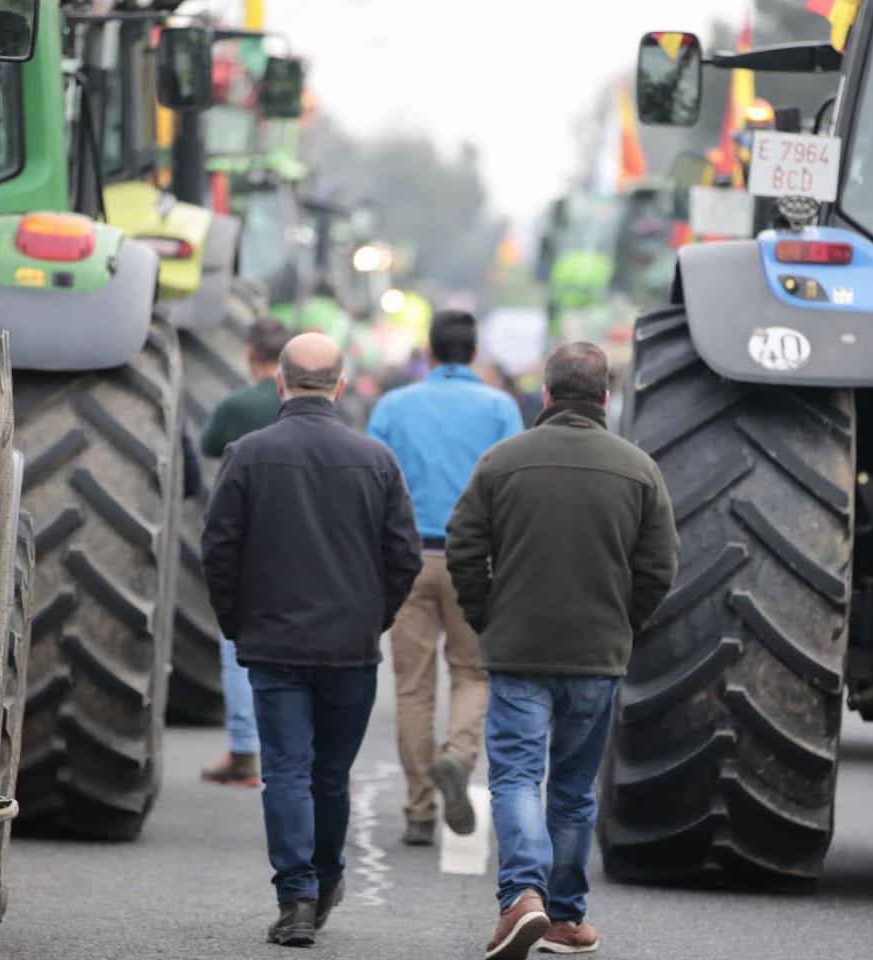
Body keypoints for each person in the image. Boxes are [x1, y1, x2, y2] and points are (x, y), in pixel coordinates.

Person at [446, 342, 679, 959]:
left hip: (519, 650)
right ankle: (566, 919)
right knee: (574, 791)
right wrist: (623, 622)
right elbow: (660, 567)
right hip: (596, 657)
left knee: (518, 776)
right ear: (605, 398)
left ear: (546, 394)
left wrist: (485, 615)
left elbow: (464, 549)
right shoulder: (638, 469)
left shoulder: (503, 461)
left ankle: (523, 895)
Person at [201, 333, 423, 947]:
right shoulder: (377, 460)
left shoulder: (246, 455)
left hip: (273, 645)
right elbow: (404, 556)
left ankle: (296, 897)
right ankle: (326, 881)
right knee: (331, 774)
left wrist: (237, 623)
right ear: (340, 385)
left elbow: (218, 550)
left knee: (287, 774)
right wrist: (372, 618)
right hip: (350, 648)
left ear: (280, 383)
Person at [366, 310, 523, 846]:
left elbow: (373, 482)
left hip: (408, 559)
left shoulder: (393, 406)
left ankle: (417, 810)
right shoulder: (500, 408)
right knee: (473, 673)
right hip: (474, 562)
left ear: (429, 354)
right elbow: (513, 487)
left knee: (412, 687)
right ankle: (456, 755)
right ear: (474, 353)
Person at [197, 317, 292, 788]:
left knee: (237, 648)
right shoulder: (302, 403)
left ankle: (244, 753)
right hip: (301, 541)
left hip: (249, 538)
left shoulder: (238, 405)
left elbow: (208, 444)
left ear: (250, 353)